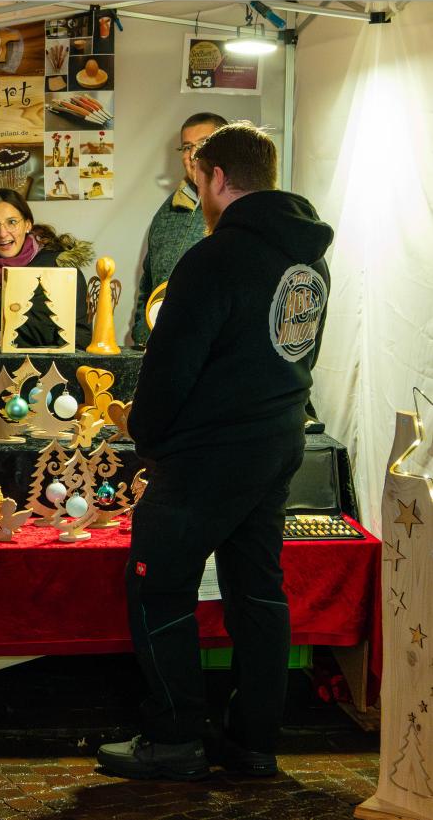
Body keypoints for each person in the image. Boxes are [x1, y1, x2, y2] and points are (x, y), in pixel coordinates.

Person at [97, 123, 332, 781]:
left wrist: (146, 438)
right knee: (257, 592)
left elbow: (168, 372)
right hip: (277, 441)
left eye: (199, 180)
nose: (198, 193)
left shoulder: (213, 259)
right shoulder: (310, 259)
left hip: (207, 455)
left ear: (219, 178)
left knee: (156, 586)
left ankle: (173, 738)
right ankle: (252, 740)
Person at [131, 112, 228, 347]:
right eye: (186, 147)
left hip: (215, 354)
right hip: (163, 352)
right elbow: (148, 284)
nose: (193, 155)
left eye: (203, 144)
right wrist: (143, 335)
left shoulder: (239, 209)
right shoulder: (165, 214)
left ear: (227, 148)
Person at [0, 188, 92, 351]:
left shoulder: (59, 268)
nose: (2, 233)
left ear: (27, 225)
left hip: (48, 366)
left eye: (12, 222)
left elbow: (80, 337)